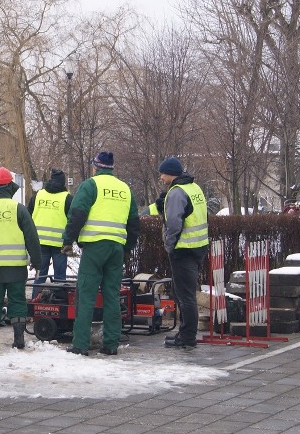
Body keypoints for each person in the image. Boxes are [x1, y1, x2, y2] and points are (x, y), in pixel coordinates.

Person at [61, 151, 139, 356]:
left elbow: (77, 213)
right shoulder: (125, 189)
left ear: (95, 167)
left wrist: (68, 240)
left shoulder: (90, 185)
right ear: (112, 167)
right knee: (112, 296)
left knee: (86, 295)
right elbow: (134, 223)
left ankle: (81, 345)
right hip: (116, 248)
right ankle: (111, 344)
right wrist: (127, 248)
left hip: (95, 247)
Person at [0, 167, 42, 349]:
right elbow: (31, 237)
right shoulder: (18, 209)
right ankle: (19, 338)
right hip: (16, 267)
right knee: (18, 300)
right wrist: (37, 261)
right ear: (8, 187)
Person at [158, 156, 209, 349]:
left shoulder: (177, 192)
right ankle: (184, 333)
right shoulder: (194, 188)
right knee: (186, 294)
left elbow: (173, 223)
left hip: (183, 249)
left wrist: (169, 245)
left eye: (162, 173)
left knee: (185, 296)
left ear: (170, 173)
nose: (161, 177)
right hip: (198, 247)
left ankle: (187, 337)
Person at [28, 168, 72, 298]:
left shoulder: (38, 196)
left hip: (40, 243)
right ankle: (59, 304)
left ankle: (35, 304)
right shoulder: (67, 198)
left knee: (40, 277)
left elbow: (27, 215)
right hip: (60, 244)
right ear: (63, 183)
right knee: (60, 279)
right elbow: (73, 220)